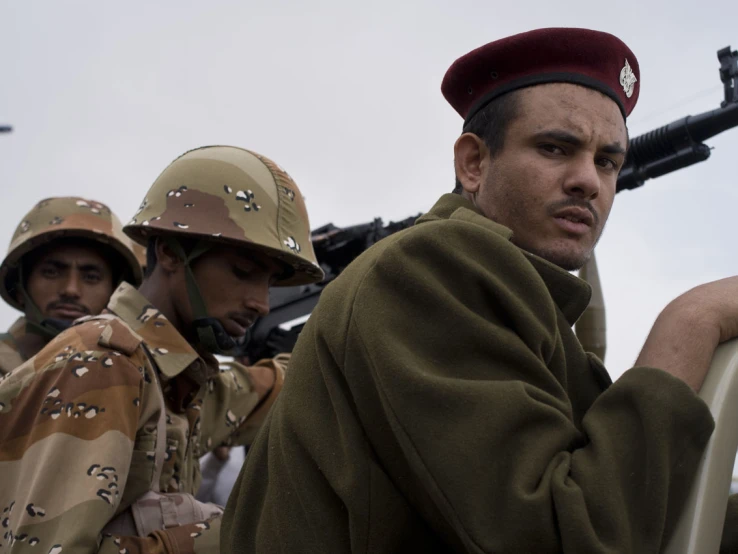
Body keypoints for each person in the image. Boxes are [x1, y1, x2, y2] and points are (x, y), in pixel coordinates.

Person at [222, 28, 738, 552]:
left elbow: (611, 491)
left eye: (607, 161)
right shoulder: (428, 269)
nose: (589, 180)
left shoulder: (514, 299)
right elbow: (562, 535)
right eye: (556, 148)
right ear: (473, 162)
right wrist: (692, 321)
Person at [0, 146, 323, 553]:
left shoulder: (173, 377)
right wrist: (224, 539)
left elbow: (273, 389)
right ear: (170, 252)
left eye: (270, 282)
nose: (261, 302)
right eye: (242, 272)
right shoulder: (104, 363)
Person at [0, 196, 143, 375]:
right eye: (51, 272)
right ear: (19, 286)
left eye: (91, 277)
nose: (71, 290)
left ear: (116, 291)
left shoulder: (133, 373)